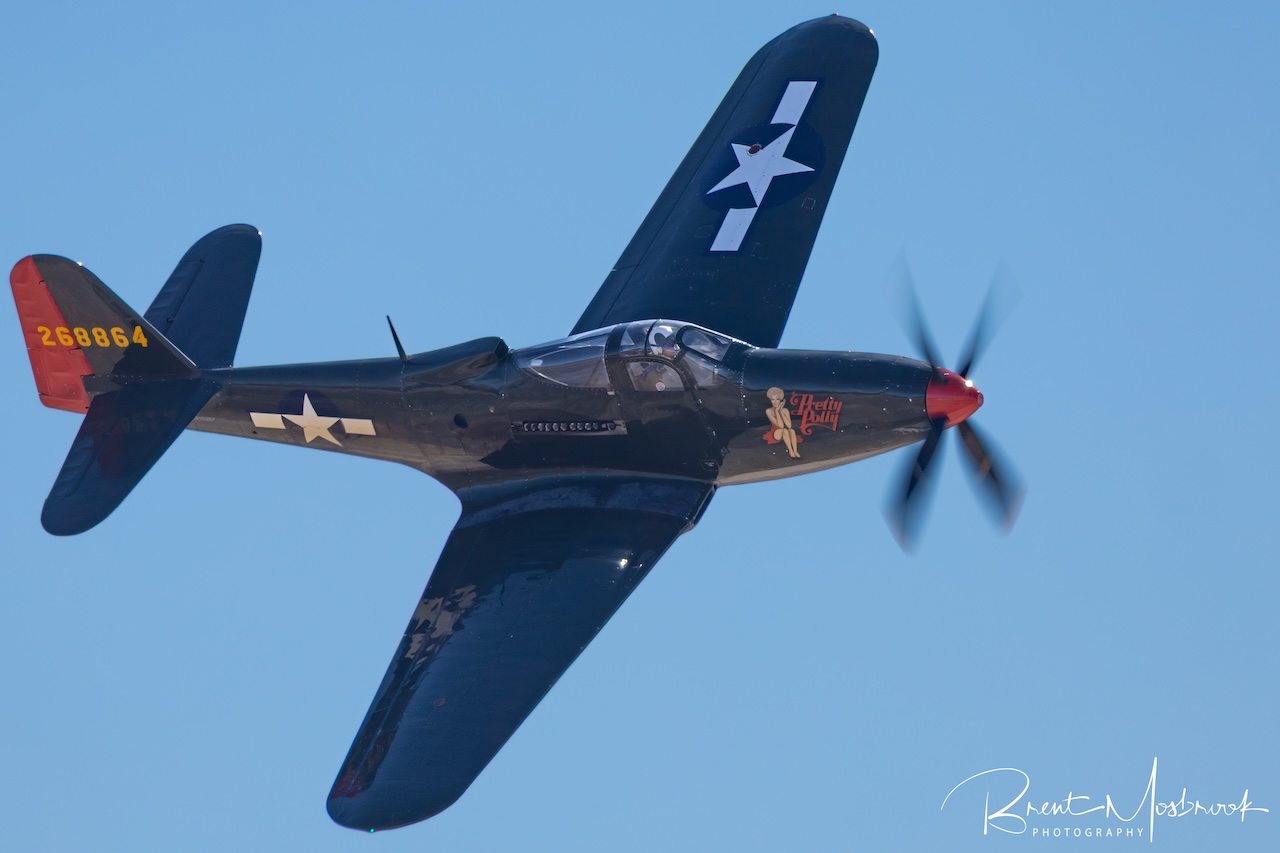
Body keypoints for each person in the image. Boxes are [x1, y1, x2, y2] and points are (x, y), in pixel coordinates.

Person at [765, 387, 800, 458]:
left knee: (791, 430)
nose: (775, 402)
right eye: (772, 399)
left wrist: (781, 411)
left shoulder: (785, 410)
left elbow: (789, 425)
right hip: (775, 432)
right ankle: (791, 451)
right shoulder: (768, 411)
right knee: (784, 431)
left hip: (785, 430)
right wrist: (777, 411)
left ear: (781, 400)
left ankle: (795, 451)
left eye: (777, 399)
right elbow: (780, 426)